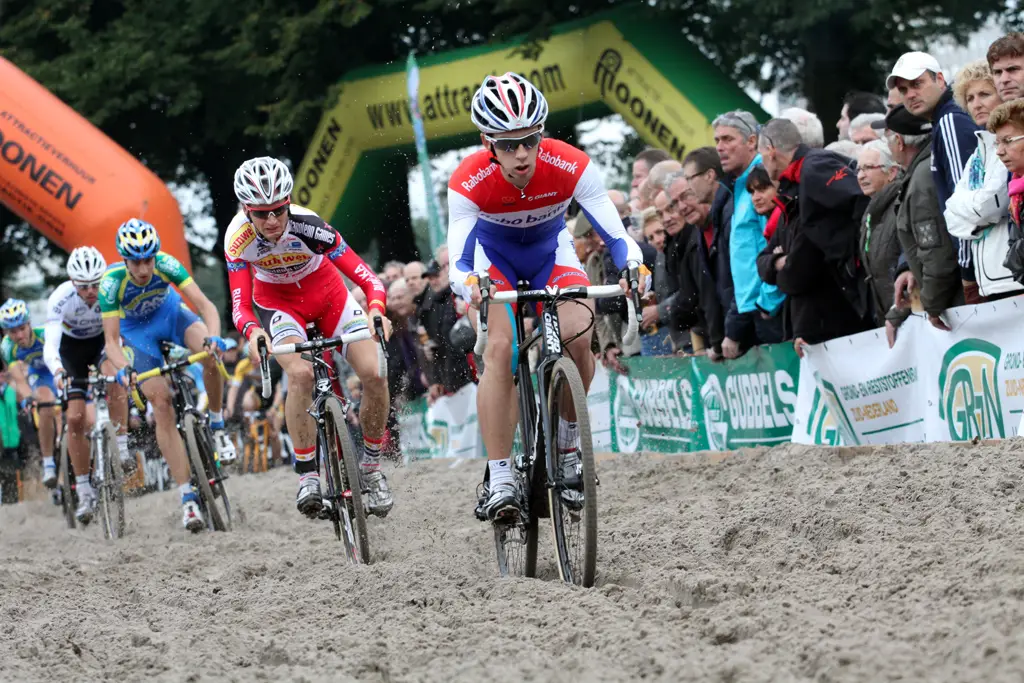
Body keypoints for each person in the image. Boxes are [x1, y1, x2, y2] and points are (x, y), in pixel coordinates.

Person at [448, 71, 646, 521]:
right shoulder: (467, 180)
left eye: (531, 139)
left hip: (549, 253)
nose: (521, 154)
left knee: (579, 336)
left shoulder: (571, 163)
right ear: (487, 142)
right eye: (506, 144)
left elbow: (617, 236)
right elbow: (458, 263)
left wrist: (634, 265)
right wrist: (471, 285)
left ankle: (567, 446)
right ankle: (500, 477)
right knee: (500, 349)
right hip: (492, 260)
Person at [226, 156, 394, 519]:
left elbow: (367, 278)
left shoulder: (310, 226)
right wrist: (254, 332)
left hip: (329, 296)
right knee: (300, 375)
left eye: (279, 210)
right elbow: (239, 306)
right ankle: (307, 474)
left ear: (289, 203)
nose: (272, 221)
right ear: (246, 210)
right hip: (279, 305)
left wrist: (377, 307)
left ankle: (372, 467)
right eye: (261, 213)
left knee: (374, 373)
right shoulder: (236, 240)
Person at [100, 219, 235, 532]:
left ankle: (216, 424)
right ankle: (186, 496)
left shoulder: (166, 264)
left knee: (209, 354)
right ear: (125, 260)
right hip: (138, 335)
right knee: (160, 403)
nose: (144, 268)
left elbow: (205, 305)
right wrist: (124, 369)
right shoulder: (111, 282)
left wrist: (214, 337)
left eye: (148, 259)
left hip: (171, 316)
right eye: (136, 261)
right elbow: (111, 341)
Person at [755, 119, 873, 346]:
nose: (761, 162)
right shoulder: (799, 179)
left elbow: (862, 198)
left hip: (852, 300)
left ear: (770, 150)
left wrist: (858, 255)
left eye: (760, 154)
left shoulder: (813, 167)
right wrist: (780, 264)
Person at [42, 246, 134, 523]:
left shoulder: (110, 289)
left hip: (102, 344)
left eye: (95, 284)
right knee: (75, 417)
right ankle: (83, 490)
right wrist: (58, 371)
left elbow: (117, 337)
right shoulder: (60, 298)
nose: (91, 291)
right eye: (84, 286)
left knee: (116, 380)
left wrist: (121, 368)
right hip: (72, 352)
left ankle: (122, 445)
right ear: (73, 283)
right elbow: (51, 345)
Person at [887, 50, 981, 302]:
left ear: (940, 79)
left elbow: (966, 205)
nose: (911, 95)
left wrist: (968, 272)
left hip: (975, 274)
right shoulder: (944, 120)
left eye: (917, 84)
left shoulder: (950, 119)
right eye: (904, 90)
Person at [944, 60, 1023, 301]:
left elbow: (988, 207)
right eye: (970, 98)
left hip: (1013, 279)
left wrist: (968, 213)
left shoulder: (1012, 144)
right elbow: (949, 214)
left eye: (984, 94)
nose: (976, 104)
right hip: (988, 283)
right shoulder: (978, 151)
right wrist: (971, 213)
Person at [0, 299, 59, 489]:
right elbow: (19, 379)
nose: (18, 335)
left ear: (29, 324)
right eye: (12, 331)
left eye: (22, 328)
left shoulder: (45, 334)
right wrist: (28, 398)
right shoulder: (7, 347)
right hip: (40, 376)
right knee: (45, 403)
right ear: (6, 332)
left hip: (58, 370)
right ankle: (49, 462)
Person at [856, 139, 904, 325]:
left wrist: (898, 312)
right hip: (888, 318)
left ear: (891, 172)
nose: (861, 175)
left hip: (911, 317)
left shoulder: (900, 206)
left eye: (868, 168)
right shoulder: (870, 212)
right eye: (859, 169)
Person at [990, 100, 1024, 280]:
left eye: (1008, 141)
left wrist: (1014, 259)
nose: (999, 151)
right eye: (997, 143)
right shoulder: (1017, 191)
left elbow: (1015, 257)